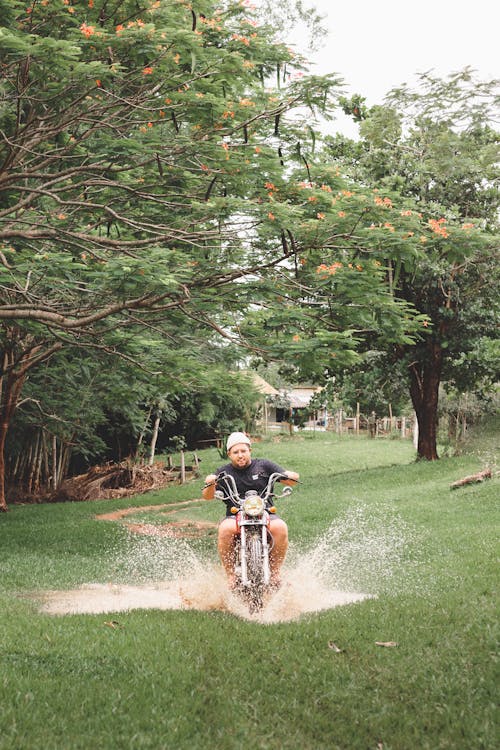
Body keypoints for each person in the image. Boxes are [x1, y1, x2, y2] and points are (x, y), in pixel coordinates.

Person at [202, 431, 299, 589]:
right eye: (235, 452)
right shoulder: (223, 472)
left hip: (265, 512)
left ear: (250, 451)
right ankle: (231, 576)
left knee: (280, 527)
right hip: (235, 515)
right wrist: (211, 482)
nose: (240, 455)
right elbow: (207, 496)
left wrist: (291, 475)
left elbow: (291, 480)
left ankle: (275, 574)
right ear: (229, 454)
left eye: (243, 451)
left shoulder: (264, 466)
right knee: (225, 529)